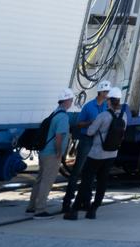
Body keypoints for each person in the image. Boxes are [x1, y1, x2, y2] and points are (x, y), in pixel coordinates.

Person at [64, 86, 128, 220]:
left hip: (96, 154)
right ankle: (93, 210)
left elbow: (90, 132)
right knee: (102, 182)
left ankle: (74, 210)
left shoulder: (103, 115)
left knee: (86, 181)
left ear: (109, 101)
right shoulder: (124, 116)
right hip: (112, 153)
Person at [62, 81, 110, 209]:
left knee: (90, 173)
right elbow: (79, 124)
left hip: (98, 142)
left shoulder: (107, 107)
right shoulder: (89, 107)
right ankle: (67, 202)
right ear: (100, 92)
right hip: (87, 140)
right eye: (105, 92)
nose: (107, 95)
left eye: (108, 93)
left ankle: (86, 201)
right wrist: (91, 122)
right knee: (78, 170)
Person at [27, 88, 74, 216]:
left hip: (43, 151)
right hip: (52, 154)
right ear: (67, 101)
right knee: (46, 182)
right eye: (71, 100)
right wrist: (59, 152)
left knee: (40, 179)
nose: (71, 102)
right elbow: (59, 137)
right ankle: (40, 210)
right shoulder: (63, 117)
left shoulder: (54, 113)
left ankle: (31, 206)